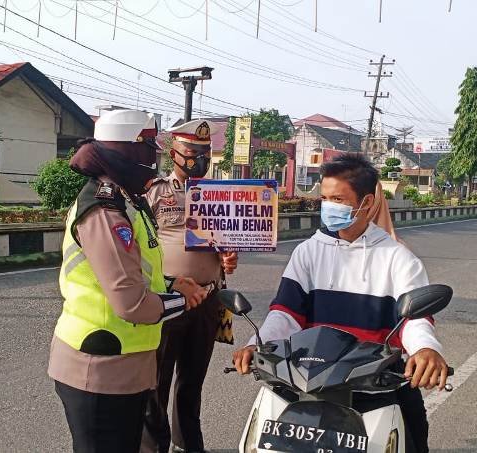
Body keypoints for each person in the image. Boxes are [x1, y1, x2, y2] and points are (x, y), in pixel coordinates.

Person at [232, 154, 449, 453]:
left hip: (375, 383)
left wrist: (426, 350)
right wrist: (258, 343)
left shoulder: (397, 259)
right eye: (324, 198)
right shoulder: (307, 252)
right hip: (307, 380)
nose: (328, 206)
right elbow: (286, 313)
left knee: (414, 433)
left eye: (338, 199)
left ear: (368, 202)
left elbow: (415, 320)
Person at [48, 109, 208, 453]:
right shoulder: (105, 210)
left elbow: (137, 270)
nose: (155, 156)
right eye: (150, 146)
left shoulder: (127, 201)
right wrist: (183, 299)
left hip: (125, 365)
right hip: (99, 366)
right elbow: (131, 302)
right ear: (129, 150)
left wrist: (171, 284)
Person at [142, 120, 239, 453]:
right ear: (174, 155)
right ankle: (154, 447)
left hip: (208, 299)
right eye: (192, 153)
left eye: (205, 153)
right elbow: (139, 244)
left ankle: (189, 444)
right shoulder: (154, 191)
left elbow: (226, 243)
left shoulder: (219, 196)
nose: (200, 158)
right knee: (157, 382)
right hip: (168, 299)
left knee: (192, 380)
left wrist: (228, 258)